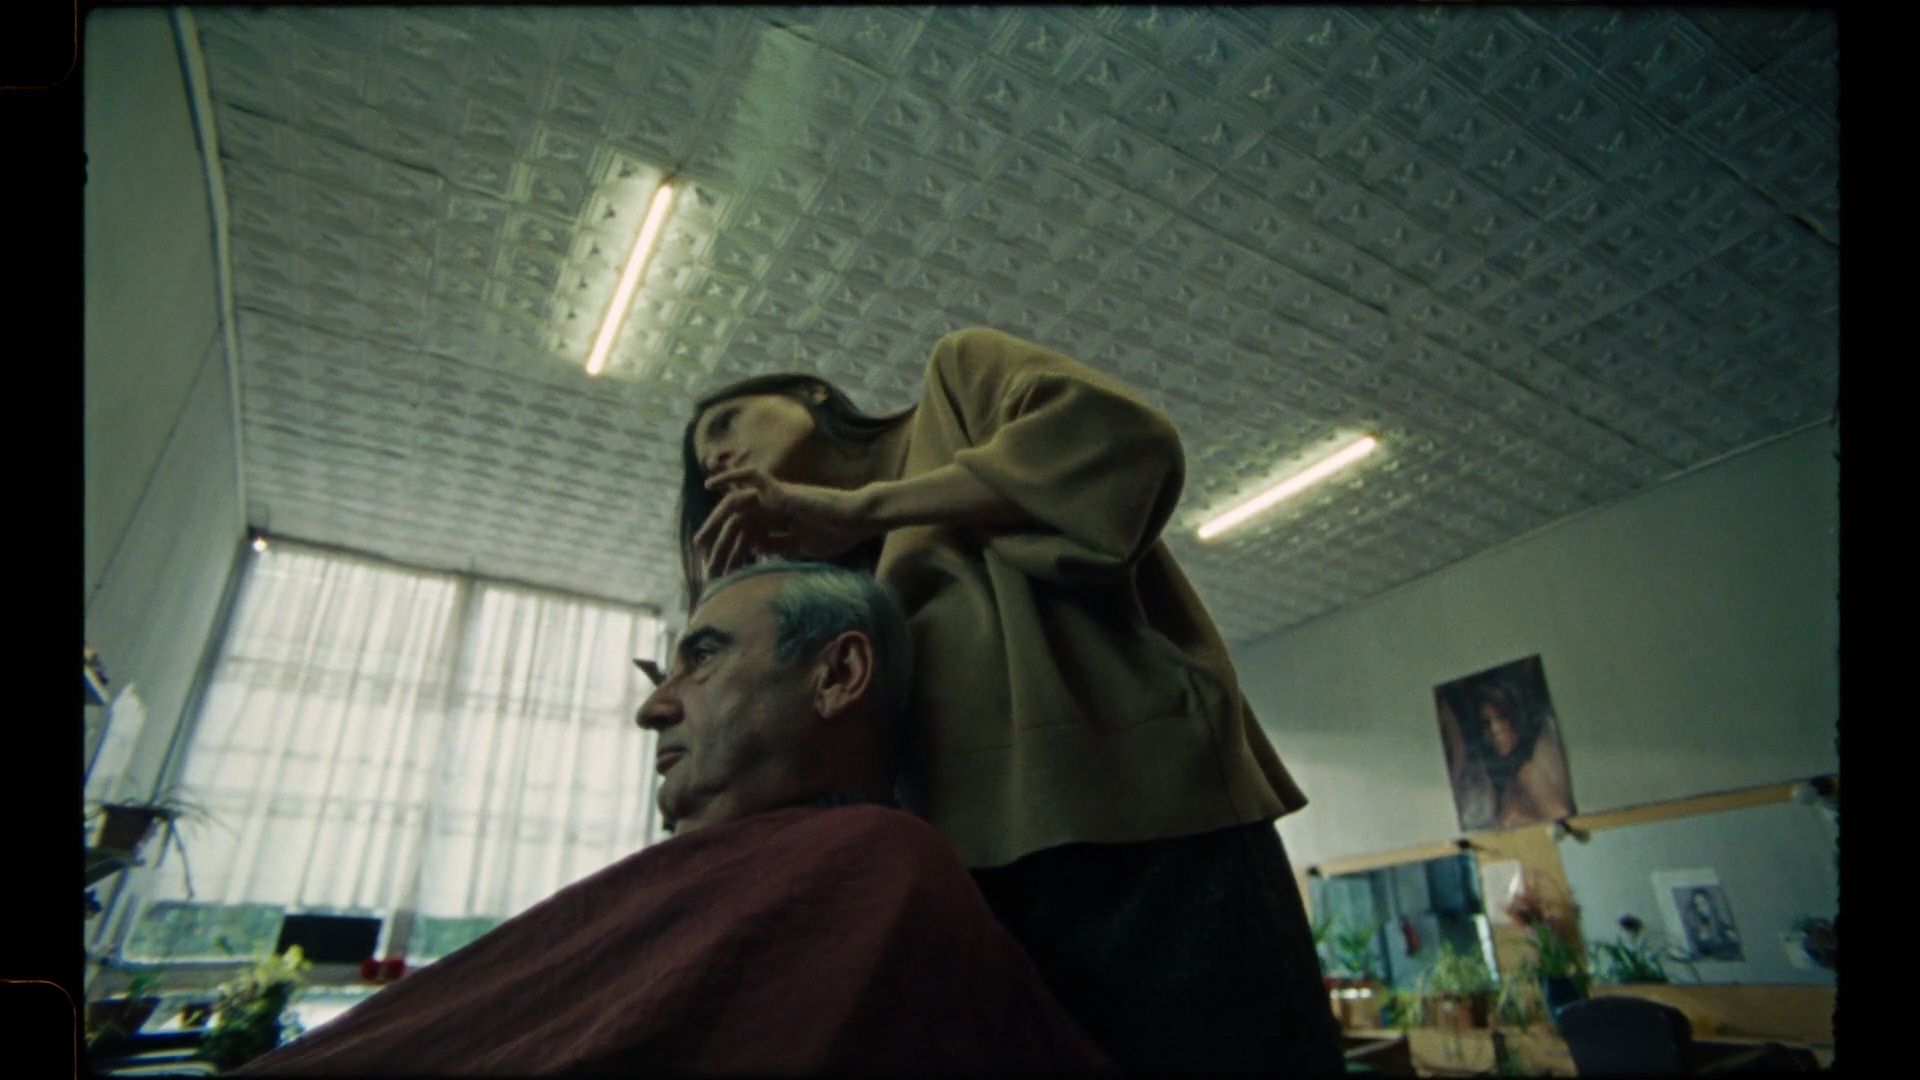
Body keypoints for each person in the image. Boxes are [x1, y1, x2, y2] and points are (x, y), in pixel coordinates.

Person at [677, 327, 1344, 1072]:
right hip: (983, 878)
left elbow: (1127, 445)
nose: (716, 459)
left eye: (725, 424)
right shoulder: (859, 584)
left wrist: (864, 507)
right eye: (706, 466)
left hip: (1148, 823)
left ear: (812, 395)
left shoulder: (959, 379)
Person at [237, 561, 1112, 1075]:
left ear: (838, 676)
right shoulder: (756, 868)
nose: (652, 710)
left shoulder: (875, 868)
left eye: (702, 658)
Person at [1448, 677, 1574, 830]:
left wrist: (1525, 825)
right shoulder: (1506, 776)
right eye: (1486, 723)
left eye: (1501, 718)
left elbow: (1565, 821)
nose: (1494, 730)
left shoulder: (1528, 773)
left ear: (1515, 718)